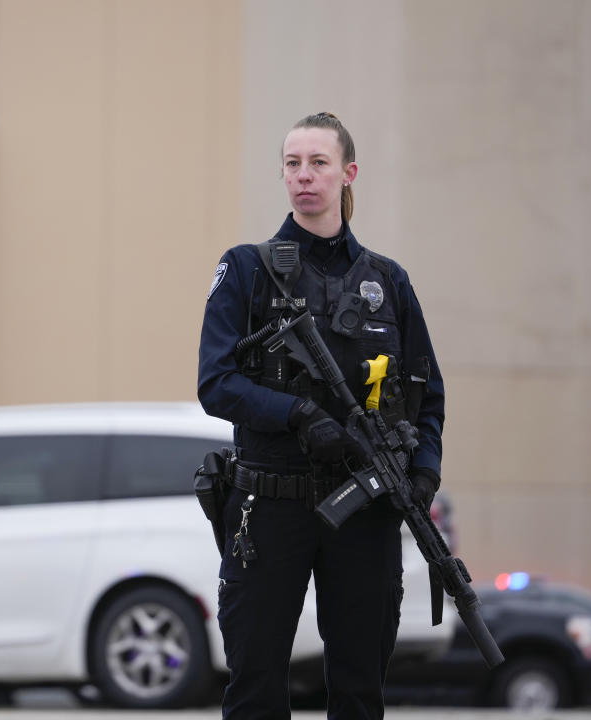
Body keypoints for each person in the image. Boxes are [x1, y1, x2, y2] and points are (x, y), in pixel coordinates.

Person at [197, 112, 445, 719]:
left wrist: (424, 473)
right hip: (271, 502)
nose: (304, 176)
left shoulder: (388, 281)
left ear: (347, 173)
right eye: (292, 164)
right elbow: (216, 383)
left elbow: (427, 391)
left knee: (361, 691)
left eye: (318, 163)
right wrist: (298, 414)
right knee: (255, 688)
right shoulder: (247, 270)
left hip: (365, 510)